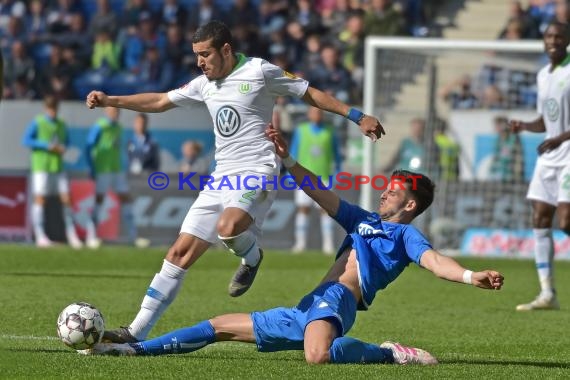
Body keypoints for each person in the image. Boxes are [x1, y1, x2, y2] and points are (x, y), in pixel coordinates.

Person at [84, 125, 504, 364]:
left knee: (317, 357)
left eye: (392, 192)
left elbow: (434, 262)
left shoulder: (404, 234)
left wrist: (471, 276)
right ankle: (134, 351)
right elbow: (320, 192)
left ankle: (391, 355)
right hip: (310, 304)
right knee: (218, 326)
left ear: (410, 204)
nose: (383, 194)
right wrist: (287, 161)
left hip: (338, 299)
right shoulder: (362, 219)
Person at [84, 20, 384, 343]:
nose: (200, 62)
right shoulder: (203, 84)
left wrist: (356, 116)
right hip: (221, 176)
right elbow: (159, 101)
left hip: (259, 170)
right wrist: (111, 100)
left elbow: (308, 93)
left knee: (228, 227)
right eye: (196, 55)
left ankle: (252, 257)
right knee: (178, 252)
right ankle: (135, 332)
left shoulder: (259, 71)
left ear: (225, 50)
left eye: (205, 55)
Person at [510, 21, 570, 311]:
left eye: (559, 36)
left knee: (566, 221)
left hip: (568, 150)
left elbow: (558, 129)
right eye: (549, 36)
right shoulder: (543, 74)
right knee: (540, 217)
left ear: (567, 40)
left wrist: (559, 138)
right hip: (550, 152)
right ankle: (548, 293)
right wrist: (524, 125)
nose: (553, 40)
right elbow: (546, 120)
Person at [22, 95, 82, 249]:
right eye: (50, 109)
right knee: (40, 199)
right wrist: (46, 145)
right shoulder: (38, 122)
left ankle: (71, 234)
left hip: (58, 166)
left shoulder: (61, 124)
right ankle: (40, 235)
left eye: (55, 109)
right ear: (45, 109)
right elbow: (26, 140)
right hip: (41, 166)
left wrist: (63, 147)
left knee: (66, 199)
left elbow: (66, 141)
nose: (53, 112)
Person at [85, 107, 150, 249]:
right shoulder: (100, 126)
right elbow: (88, 146)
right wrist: (92, 167)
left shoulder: (119, 128)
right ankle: (91, 236)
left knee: (126, 198)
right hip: (103, 169)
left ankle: (133, 236)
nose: (116, 114)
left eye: (118, 112)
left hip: (117, 169)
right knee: (99, 200)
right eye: (113, 111)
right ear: (107, 111)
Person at [290, 106, 341, 255]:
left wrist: (338, 172)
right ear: (309, 114)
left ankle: (328, 245)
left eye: (319, 112)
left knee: (326, 210)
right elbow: (293, 152)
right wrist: (291, 174)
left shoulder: (330, 131)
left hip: (324, 177)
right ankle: (300, 244)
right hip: (303, 178)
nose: (317, 115)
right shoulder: (301, 130)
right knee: (303, 209)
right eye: (314, 112)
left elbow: (336, 154)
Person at [489, 116, 524, 182]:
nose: (495, 127)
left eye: (497, 125)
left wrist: (517, 176)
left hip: (511, 178)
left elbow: (519, 159)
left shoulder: (514, 139)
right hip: (497, 177)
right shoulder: (498, 140)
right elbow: (495, 159)